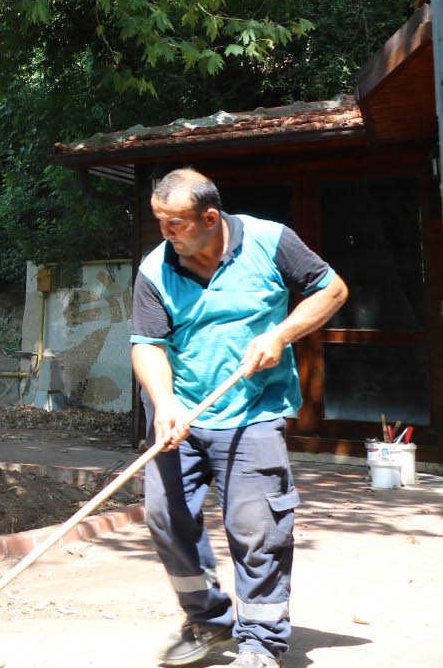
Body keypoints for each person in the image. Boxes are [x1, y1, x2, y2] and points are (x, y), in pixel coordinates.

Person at [132, 168, 347, 668]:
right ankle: (208, 619)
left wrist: (281, 335)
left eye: (175, 224)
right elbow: (147, 346)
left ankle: (261, 641)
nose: (165, 234)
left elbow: (332, 290)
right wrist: (164, 403)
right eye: (159, 222)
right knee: (166, 518)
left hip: (253, 413)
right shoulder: (153, 270)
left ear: (211, 217)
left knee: (257, 526)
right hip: (179, 411)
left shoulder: (271, 241)